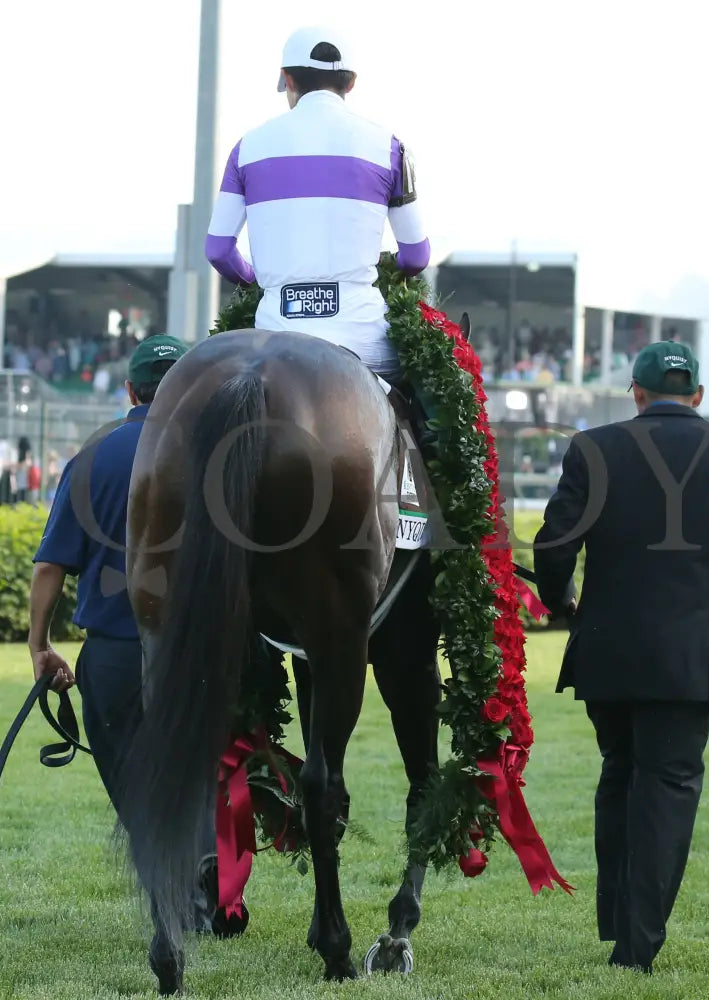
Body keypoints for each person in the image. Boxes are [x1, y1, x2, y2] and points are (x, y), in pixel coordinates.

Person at [533, 340, 709, 974]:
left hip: (605, 656)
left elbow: (552, 550)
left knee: (620, 771)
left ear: (637, 393)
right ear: (698, 396)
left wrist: (561, 599)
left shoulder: (593, 448)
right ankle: (635, 946)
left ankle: (622, 926)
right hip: (684, 660)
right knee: (667, 787)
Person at [26, 336, 235, 932]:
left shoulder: (94, 457)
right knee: (196, 771)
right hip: (199, 651)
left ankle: (171, 894)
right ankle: (200, 878)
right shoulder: (218, 455)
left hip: (115, 654)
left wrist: (40, 644)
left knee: (132, 782)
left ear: (129, 390)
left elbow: (49, 566)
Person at [205, 24, 430, 387]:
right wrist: (394, 271)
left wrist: (253, 278)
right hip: (362, 334)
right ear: (351, 84)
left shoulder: (246, 148)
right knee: (426, 403)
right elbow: (417, 256)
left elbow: (217, 250)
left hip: (274, 334)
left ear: (287, 80)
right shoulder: (390, 148)